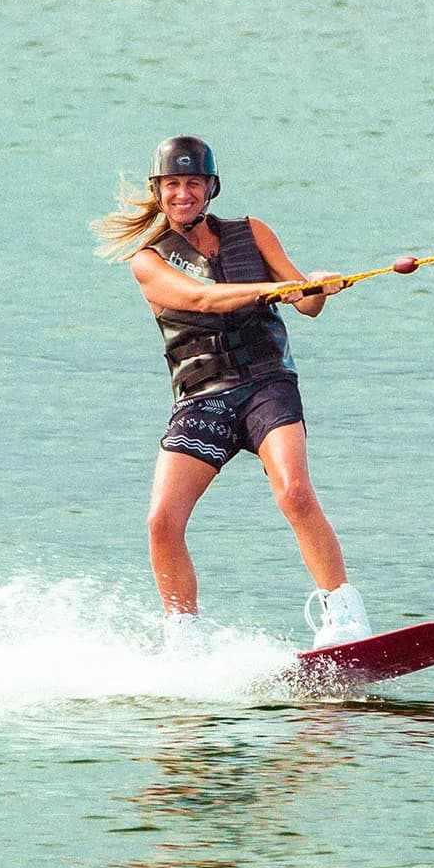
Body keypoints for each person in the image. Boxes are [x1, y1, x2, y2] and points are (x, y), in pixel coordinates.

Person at [94, 135, 372, 657]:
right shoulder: (148, 261)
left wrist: (314, 286)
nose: (183, 193)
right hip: (203, 397)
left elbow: (306, 307)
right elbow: (199, 297)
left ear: (210, 188)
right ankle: (184, 640)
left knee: (294, 492)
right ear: (158, 192)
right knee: (162, 521)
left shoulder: (253, 233)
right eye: (172, 184)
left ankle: (345, 617)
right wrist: (268, 291)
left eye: (192, 183)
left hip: (267, 383)